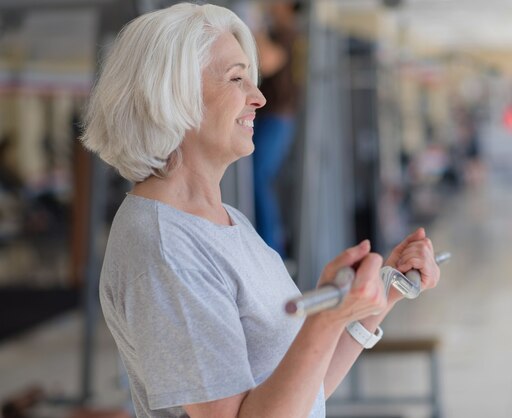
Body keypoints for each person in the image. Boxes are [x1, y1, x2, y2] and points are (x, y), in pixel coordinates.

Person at [81, 3, 441, 418]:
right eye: (237, 79)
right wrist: (324, 321)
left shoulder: (229, 221)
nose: (259, 97)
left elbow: (304, 393)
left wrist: (387, 291)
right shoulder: (165, 248)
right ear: (171, 94)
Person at [252, 1, 301, 257]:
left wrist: (255, 23)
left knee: (258, 178)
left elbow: (266, 61)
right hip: (272, 119)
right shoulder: (281, 32)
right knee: (258, 178)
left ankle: (271, 247)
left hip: (276, 119)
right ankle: (270, 243)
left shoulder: (287, 33)